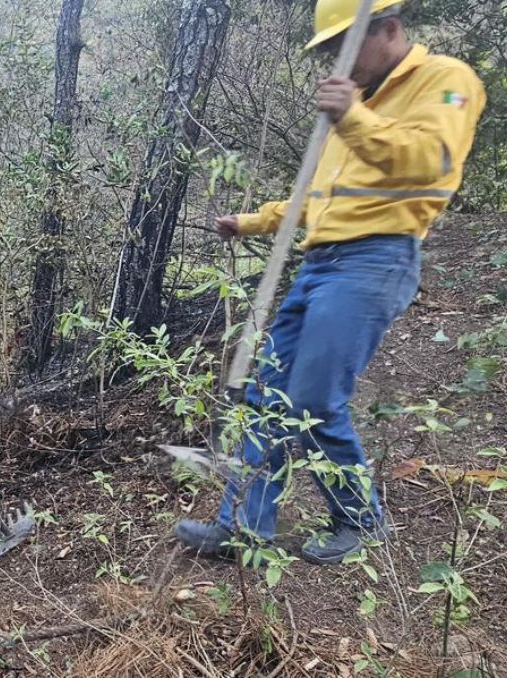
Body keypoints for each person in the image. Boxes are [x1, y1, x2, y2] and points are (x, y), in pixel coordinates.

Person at [176, 0, 485, 565]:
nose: (335, 62)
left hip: (376, 260)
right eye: (326, 51)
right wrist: (251, 221)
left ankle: (361, 521)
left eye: (342, 47)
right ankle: (243, 527)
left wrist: (354, 118)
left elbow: (432, 161)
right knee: (268, 395)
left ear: (388, 29)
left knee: (314, 401)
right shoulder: (356, 106)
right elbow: (316, 197)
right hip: (319, 264)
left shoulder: (446, 80)